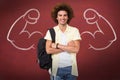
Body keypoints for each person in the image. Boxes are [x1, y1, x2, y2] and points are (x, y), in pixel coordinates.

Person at [44, 3, 81, 80]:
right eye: (60, 15)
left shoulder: (74, 31)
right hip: (56, 69)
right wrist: (68, 48)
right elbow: (48, 50)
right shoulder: (51, 31)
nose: (62, 17)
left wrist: (58, 46)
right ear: (56, 17)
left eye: (65, 15)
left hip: (71, 69)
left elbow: (76, 49)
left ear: (68, 17)